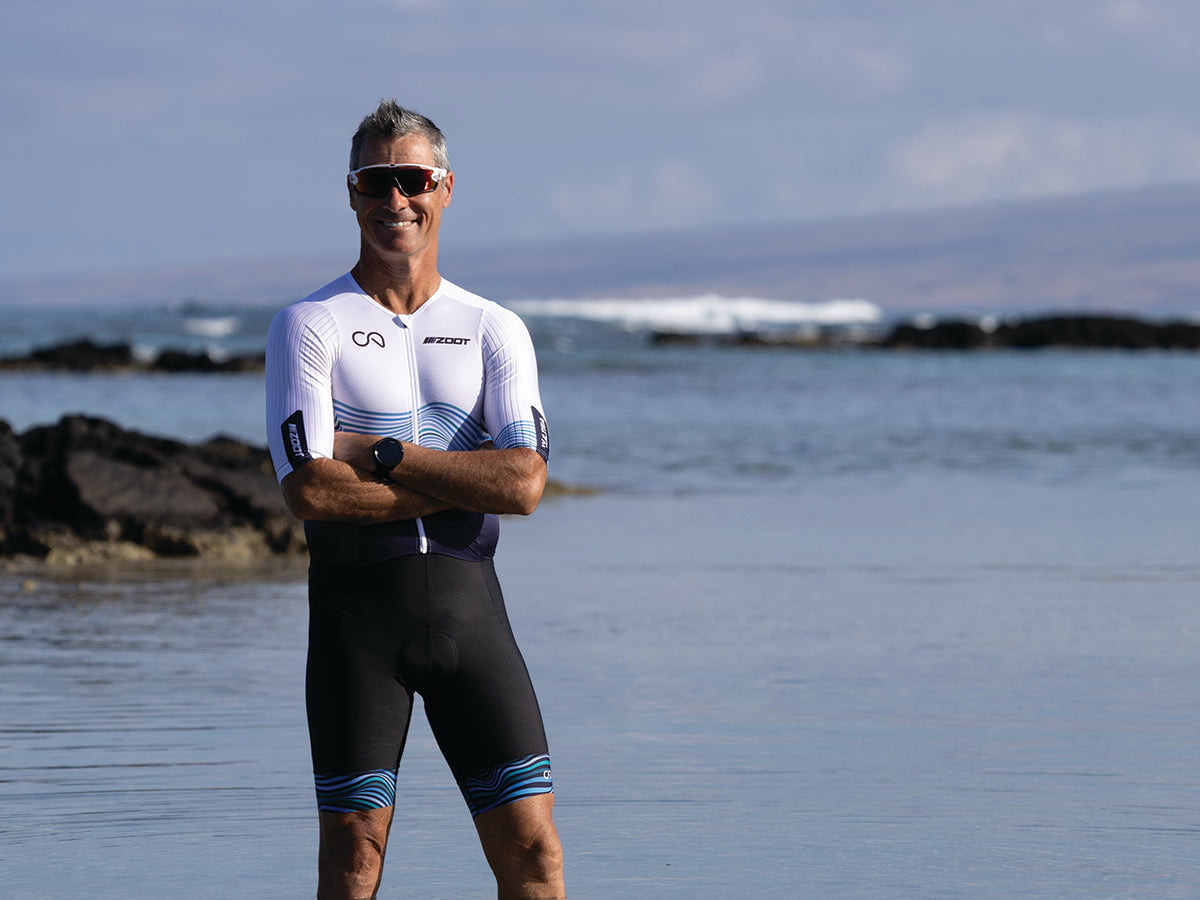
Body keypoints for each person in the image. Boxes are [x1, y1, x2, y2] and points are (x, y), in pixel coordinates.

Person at [265, 99, 565, 900]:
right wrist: (462, 479)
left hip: (473, 616)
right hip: (355, 621)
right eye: (375, 182)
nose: (395, 199)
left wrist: (385, 453)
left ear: (445, 188)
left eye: (413, 180)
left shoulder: (494, 328)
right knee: (355, 855)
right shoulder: (309, 325)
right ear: (352, 193)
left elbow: (524, 486)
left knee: (534, 854)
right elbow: (310, 490)